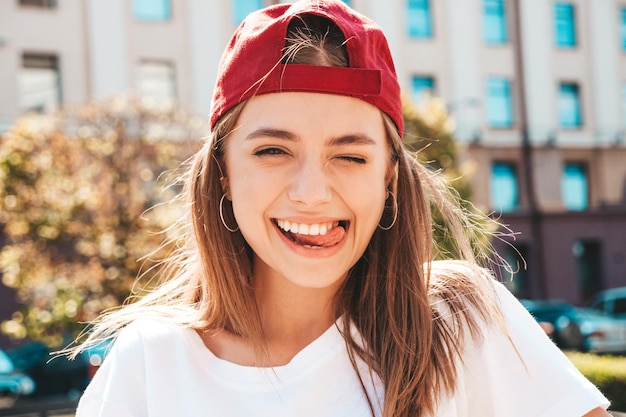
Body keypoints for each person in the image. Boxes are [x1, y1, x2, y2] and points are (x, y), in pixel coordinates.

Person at [72, 1, 611, 416]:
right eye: (273, 151)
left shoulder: (461, 320)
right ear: (223, 177)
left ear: (389, 180)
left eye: (350, 155)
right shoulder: (149, 364)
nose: (311, 191)